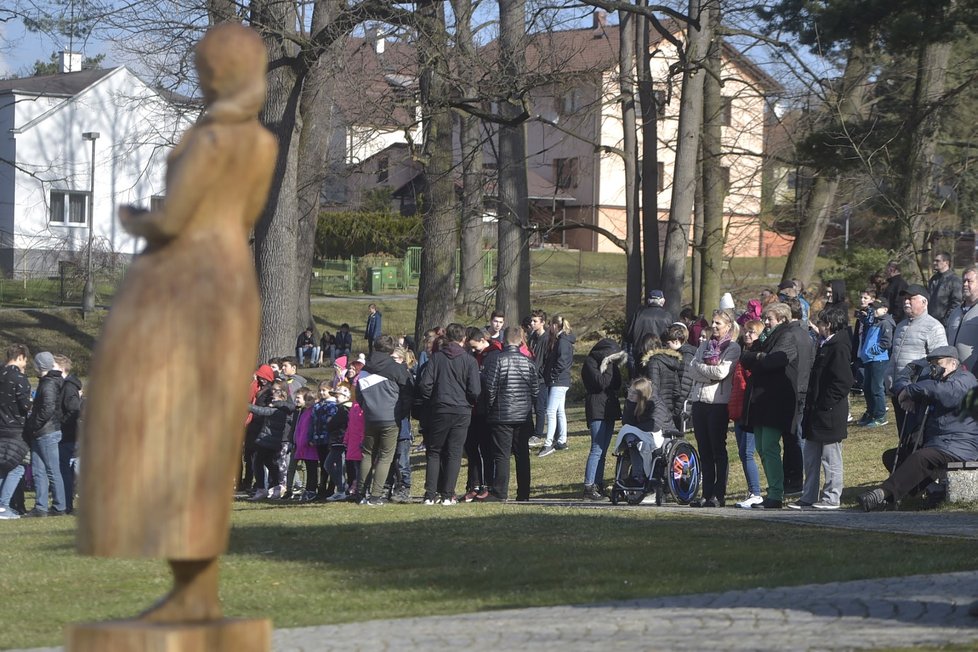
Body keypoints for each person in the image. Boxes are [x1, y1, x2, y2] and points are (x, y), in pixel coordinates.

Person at [859, 346, 978, 511]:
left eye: (938, 363)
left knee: (920, 458)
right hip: (939, 442)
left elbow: (946, 393)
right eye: (931, 364)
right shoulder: (936, 379)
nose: (934, 368)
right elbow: (902, 384)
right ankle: (934, 490)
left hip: (959, 444)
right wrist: (904, 388)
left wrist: (910, 390)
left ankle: (881, 494)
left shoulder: (966, 379)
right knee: (894, 456)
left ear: (953, 364)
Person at [739, 302, 800, 509]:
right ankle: (772, 491)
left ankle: (776, 493)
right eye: (765, 318)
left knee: (770, 446)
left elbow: (774, 361)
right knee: (760, 448)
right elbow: (746, 358)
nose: (765, 322)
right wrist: (758, 357)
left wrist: (758, 358)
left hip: (775, 400)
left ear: (782, 320)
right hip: (760, 401)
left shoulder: (786, 337)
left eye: (769, 319)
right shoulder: (766, 339)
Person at [791, 307, 852, 510]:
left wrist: (825, 403)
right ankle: (808, 496)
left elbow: (843, 382)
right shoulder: (825, 344)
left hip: (829, 412)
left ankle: (831, 497)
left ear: (830, 325)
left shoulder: (839, 346)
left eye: (823, 323)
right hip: (816, 411)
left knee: (830, 457)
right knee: (811, 457)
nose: (820, 326)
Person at [417, 324, 481, 505]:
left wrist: (435, 398)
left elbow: (425, 385)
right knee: (454, 452)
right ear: (463, 339)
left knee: (434, 451)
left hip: (441, 408)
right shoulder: (469, 361)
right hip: (461, 410)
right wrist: (468, 400)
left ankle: (430, 494)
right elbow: (475, 390)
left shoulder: (436, 358)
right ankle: (447, 495)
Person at [687, 310, 741, 507]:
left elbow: (722, 372)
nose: (715, 326)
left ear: (728, 326)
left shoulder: (732, 348)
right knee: (704, 450)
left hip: (718, 404)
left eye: (718, 323)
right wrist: (706, 372)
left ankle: (719, 494)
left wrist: (703, 370)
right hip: (699, 402)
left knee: (718, 449)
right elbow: (691, 368)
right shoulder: (704, 345)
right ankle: (706, 493)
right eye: (713, 322)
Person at [482, 326, 539, 501]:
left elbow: (490, 389)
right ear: (521, 340)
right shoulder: (528, 362)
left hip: (502, 414)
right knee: (522, 455)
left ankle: (500, 492)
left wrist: (490, 409)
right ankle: (524, 493)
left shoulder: (497, 360)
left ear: (503, 341)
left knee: (502, 454)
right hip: (523, 415)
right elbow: (535, 391)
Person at [357, 334, 414, 505]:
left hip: (370, 417)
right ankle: (375, 496)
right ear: (391, 350)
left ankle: (361, 494)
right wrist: (400, 414)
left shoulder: (364, 369)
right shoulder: (397, 368)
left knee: (367, 454)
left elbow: (358, 395)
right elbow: (408, 394)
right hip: (390, 418)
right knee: (385, 456)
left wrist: (367, 409)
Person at [887, 284, 947, 436]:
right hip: (898, 391)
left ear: (924, 302)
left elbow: (939, 362)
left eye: (911, 299)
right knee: (902, 436)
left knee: (916, 436)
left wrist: (917, 390)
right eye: (905, 299)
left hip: (917, 395)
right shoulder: (900, 326)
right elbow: (894, 356)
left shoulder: (934, 327)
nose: (906, 302)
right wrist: (888, 380)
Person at [581, 338, 626, 501]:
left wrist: (612, 366)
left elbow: (616, 384)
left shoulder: (610, 364)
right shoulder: (590, 363)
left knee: (603, 450)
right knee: (596, 449)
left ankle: (597, 484)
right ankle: (589, 486)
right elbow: (601, 383)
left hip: (608, 408)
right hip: (596, 408)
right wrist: (606, 366)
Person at [23, 352, 66, 517]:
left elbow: (47, 408)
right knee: (38, 471)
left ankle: (59, 506)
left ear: (39, 366)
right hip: (42, 431)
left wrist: (34, 424)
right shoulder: (48, 382)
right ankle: (41, 507)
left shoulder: (48, 383)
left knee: (52, 471)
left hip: (46, 432)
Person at [729, 320, 764, 509]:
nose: (748, 334)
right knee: (743, 453)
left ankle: (756, 492)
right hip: (739, 408)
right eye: (746, 331)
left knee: (747, 452)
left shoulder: (757, 355)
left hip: (751, 409)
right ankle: (752, 491)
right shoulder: (741, 352)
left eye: (752, 332)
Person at [247, 382, 294, 500]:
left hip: (268, 441)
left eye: (275, 398)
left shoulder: (278, 410)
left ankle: (262, 488)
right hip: (270, 441)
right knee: (270, 463)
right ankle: (276, 487)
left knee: (258, 462)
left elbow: (261, 411)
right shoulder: (282, 409)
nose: (272, 400)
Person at [0, 344, 31, 519]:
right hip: (15, 429)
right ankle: (3, 506)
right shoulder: (19, 378)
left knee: (3, 467)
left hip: (1, 427)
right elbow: (25, 405)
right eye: (25, 360)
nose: (25, 364)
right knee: (18, 467)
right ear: (20, 357)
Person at [539, 315, 576, 458]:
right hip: (561, 380)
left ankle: (549, 443)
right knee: (560, 411)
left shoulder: (562, 342)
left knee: (551, 411)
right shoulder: (564, 340)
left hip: (559, 381)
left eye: (551, 325)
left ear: (556, 325)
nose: (549, 328)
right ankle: (562, 440)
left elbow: (562, 362)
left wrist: (553, 376)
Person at [857, 300, 895, 427]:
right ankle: (871, 412)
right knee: (867, 387)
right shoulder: (875, 322)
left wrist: (873, 351)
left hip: (878, 359)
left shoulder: (885, 323)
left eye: (877, 309)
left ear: (885, 309)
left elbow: (886, 342)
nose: (874, 311)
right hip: (869, 359)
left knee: (876, 388)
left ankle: (880, 415)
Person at [53, 354, 82, 514]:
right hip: (68, 433)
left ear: (62, 368)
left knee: (64, 469)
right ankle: (66, 502)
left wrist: (60, 423)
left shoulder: (68, 387)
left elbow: (73, 410)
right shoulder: (66, 386)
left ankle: (66, 503)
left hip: (67, 434)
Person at [624, 290, 674, 367]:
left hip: (640, 354)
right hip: (661, 354)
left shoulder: (638, 314)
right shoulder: (667, 316)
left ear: (648, 301)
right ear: (662, 301)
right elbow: (671, 336)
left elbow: (628, 335)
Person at [946, 265, 978, 371]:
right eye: (964, 281)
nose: (965, 284)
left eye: (969, 281)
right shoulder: (955, 312)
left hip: (973, 374)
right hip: (951, 373)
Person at [526, 310, 550, 447]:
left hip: (541, 379)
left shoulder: (545, 339)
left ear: (542, 322)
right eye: (532, 320)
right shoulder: (532, 337)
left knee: (540, 407)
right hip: (531, 376)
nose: (532, 323)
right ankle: (530, 432)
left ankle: (538, 434)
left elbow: (543, 360)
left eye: (535, 321)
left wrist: (539, 372)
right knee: (529, 407)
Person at [927, 251, 962, 326]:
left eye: (938, 261)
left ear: (946, 262)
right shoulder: (933, 279)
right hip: (930, 321)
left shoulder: (954, 280)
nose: (934, 263)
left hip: (944, 323)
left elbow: (956, 302)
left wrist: (946, 320)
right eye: (934, 261)